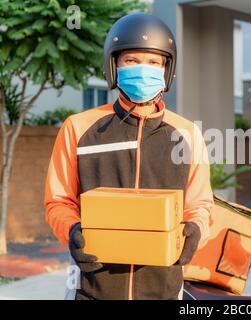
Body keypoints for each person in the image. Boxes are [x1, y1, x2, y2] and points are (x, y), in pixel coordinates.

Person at [44, 13, 213, 300]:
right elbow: (58, 201)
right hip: (93, 287)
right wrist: (71, 231)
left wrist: (196, 229)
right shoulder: (79, 127)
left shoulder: (187, 134)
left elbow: (200, 204)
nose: (143, 70)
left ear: (166, 70)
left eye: (154, 62)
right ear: (114, 65)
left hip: (164, 288)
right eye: (131, 61)